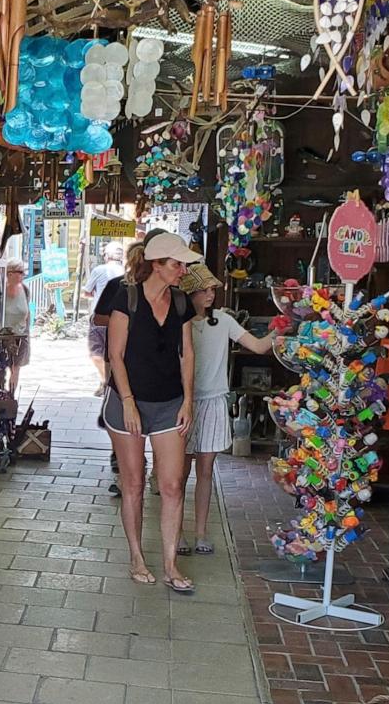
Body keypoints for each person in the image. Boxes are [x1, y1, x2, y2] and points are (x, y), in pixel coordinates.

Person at [99, 231, 201, 594]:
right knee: (134, 484)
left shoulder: (181, 302)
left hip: (169, 401)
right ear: (156, 265)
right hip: (128, 400)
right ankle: (137, 557)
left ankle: (171, 564)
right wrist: (127, 400)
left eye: (184, 264)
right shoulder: (126, 298)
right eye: (176, 264)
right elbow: (116, 355)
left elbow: (187, 353)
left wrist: (188, 400)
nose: (182, 269)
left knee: (173, 485)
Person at [177, 263, 277, 555]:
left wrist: (282, 327)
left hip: (214, 400)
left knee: (205, 470)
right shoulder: (179, 323)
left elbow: (258, 347)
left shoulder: (222, 320)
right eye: (204, 290)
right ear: (189, 292)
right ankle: (178, 532)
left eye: (212, 290)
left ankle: (200, 533)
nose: (210, 295)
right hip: (185, 401)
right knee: (179, 474)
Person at [83, 241, 126, 394]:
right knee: (116, 353)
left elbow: (87, 292)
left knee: (96, 352)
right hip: (121, 318)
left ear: (106, 255)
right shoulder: (125, 271)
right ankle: (112, 382)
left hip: (100, 317)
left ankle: (105, 381)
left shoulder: (99, 270)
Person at [0, 259, 31, 394]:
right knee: (1, 367)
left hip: (20, 334)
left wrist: (27, 333)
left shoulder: (24, 289)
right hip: (3, 335)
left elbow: (27, 312)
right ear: (9, 273)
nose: (22, 275)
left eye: (23, 273)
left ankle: (11, 396)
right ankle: (0, 393)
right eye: (19, 272)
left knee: (16, 367)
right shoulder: (0, 290)